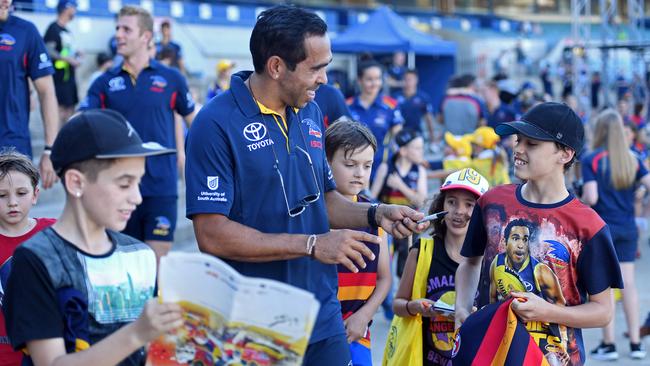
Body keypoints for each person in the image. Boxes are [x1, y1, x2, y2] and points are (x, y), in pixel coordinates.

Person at [184, 6, 427, 365]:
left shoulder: (310, 112)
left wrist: (376, 213)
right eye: (316, 68)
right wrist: (313, 244)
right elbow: (212, 234)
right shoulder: (215, 124)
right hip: (253, 321)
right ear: (277, 66)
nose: (325, 79)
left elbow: (324, 200)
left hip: (321, 312)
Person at [1, 109, 182, 365]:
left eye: (138, 182)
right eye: (124, 184)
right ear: (76, 183)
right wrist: (136, 334)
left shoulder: (140, 254)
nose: (137, 198)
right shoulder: (35, 260)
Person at [455, 102, 624, 365]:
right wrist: (462, 309)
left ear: (565, 154)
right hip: (490, 351)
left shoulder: (588, 225)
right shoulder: (491, 202)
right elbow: (469, 262)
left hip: (554, 358)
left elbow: (603, 312)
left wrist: (547, 311)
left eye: (531, 144)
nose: (518, 150)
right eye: (518, 140)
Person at [79, 5, 196, 261]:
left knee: (155, 261)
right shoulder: (103, 82)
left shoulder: (172, 78)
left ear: (145, 36)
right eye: (117, 29)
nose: (118, 35)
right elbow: (83, 125)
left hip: (161, 185)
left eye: (126, 29)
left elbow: (195, 124)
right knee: (121, 260)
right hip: (117, 187)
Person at [393, 168, 489, 366]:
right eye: (452, 202)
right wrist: (414, 306)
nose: (459, 211)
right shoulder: (422, 251)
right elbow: (398, 305)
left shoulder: (491, 259)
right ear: (441, 205)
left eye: (469, 205)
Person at [581, 109, 649, 360]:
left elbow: (591, 197)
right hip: (628, 227)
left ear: (599, 130)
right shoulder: (633, 159)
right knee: (628, 284)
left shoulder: (592, 159)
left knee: (606, 285)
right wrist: (639, 195)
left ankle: (608, 344)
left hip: (602, 228)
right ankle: (635, 344)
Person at [325, 120, 391, 366]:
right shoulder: (312, 214)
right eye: (350, 164)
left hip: (356, 329)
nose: (359, 173)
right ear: (326, 163)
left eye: (367, 165)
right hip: (317, 328)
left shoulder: (376, 215)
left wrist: (364, 315)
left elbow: (384, 279)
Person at [0, 150, 56, 366]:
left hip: (49, 351)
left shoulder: (54, 233)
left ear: (35, 195)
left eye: (21, 193)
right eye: (2, 196)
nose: (12, 202)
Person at [0, 0, 59, 189]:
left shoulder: (25, 31)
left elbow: (47, 92)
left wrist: (50, 150)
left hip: (12, 145)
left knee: (13, 216)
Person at [372, 129, 427, 277]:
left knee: (405, 267)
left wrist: (400, 185)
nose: (421, 152)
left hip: (409, 225)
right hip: (386, 223)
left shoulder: (420, 170)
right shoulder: (385, 168)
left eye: (422, 148)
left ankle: (400, 296)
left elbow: (421, 200)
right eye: (417, 148)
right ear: (403, 151)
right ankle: (385, 295)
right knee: (382, 264)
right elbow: (372, 197)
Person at [347, 60, 403, 183]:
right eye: (369, 79)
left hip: (383, 170)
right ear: (359, 80)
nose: (375, 83)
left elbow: (399, 137)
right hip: (354, 170)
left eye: (378, 79)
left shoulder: (391, 105)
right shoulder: (347, 106)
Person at [44, 0, 80, 126]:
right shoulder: (53, 28)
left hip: (69, 77)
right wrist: (67, 59)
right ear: (66, 8)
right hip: (59, 77)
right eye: (74, 7)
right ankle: (58, 141)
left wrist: (77, 54)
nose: (75, 11)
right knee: (59, 111)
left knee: (71, 110)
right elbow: (48, 50)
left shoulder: (68, 31)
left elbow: (67, 50)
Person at [396, 69, 436, 145]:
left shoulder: (423, 98)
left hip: (416, 134)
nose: (408, 82)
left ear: (416, 80)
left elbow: (429, 119)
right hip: (399, 135)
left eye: (410, 79)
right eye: (405, 79)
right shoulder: (395, 97)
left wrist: (432, 139)